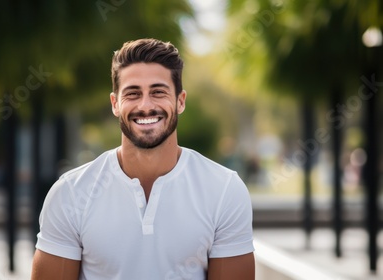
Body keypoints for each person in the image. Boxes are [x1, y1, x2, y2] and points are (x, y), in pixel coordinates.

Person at [31, 38, 255, 280]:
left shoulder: (224, 189)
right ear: (115, 104)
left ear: (180, 101)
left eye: (158, 92)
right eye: (133, 93)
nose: (146, 105)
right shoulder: (70, 193)